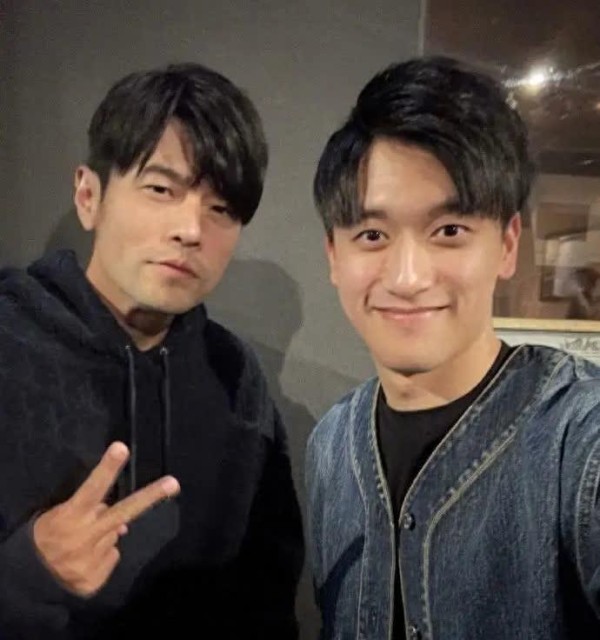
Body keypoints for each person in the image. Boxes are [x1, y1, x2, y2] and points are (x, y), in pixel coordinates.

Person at [0, 63, 303, 639]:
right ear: (89, 196)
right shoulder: (11, 338)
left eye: (221, 209)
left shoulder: (235, 375)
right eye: (161, 189)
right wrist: (25, 573)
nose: (191, 229)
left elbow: (268, 593)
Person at [305, 56, 600, 639]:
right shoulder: (331, 446)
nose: (408, 277)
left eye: (449, 231)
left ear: (507, 245)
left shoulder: (578, 440)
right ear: (334, 257)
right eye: (372, 235)